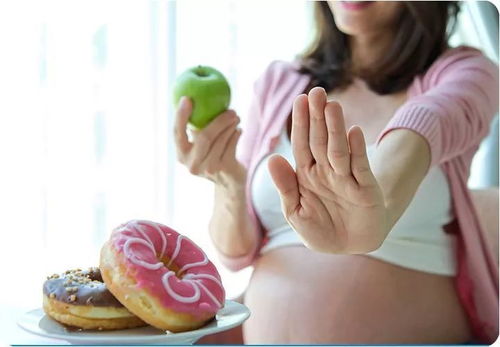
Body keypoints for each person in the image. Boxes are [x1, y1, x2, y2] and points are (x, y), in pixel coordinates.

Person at [174, 1, 498, 344]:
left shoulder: (467, 73)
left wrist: (378, 211)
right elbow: (237, 253)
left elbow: (425, 125)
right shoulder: (279, 81)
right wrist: (228, 182)